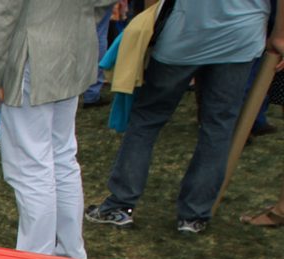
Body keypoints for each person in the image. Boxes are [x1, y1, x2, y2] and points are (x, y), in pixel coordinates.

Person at [86, 0, 284, 234]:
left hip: (186, 34)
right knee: (218, 127)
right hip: (239, 36)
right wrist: (279, 34)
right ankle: (193, 216)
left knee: (147, 120)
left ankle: (120, 204)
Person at [0, 0, 112, 259]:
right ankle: (69, 255)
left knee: (32, 167)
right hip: (72, 46)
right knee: (61, 157)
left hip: (34, 52)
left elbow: (2, 9)